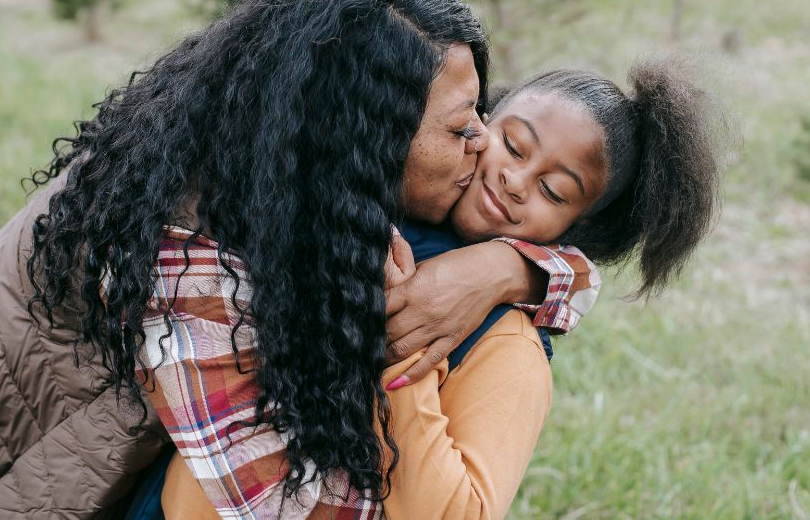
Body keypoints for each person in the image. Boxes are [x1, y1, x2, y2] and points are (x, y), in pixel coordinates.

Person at [0, 0, 586, 517]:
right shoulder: (189, 254)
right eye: (461, 126)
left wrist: (513, 270)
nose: (483, 147)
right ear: (364, 140)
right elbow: (287, 507)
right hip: (57, 477)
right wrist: (407, 363)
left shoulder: (295, 168)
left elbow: (577, 267)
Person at [156, 60, 722, 518]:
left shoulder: (508, 349)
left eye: (552, 190)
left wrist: (403, 362)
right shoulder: (387, 191)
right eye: (514, 146)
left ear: (577, 226)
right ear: (479, 120)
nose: (515, 180)